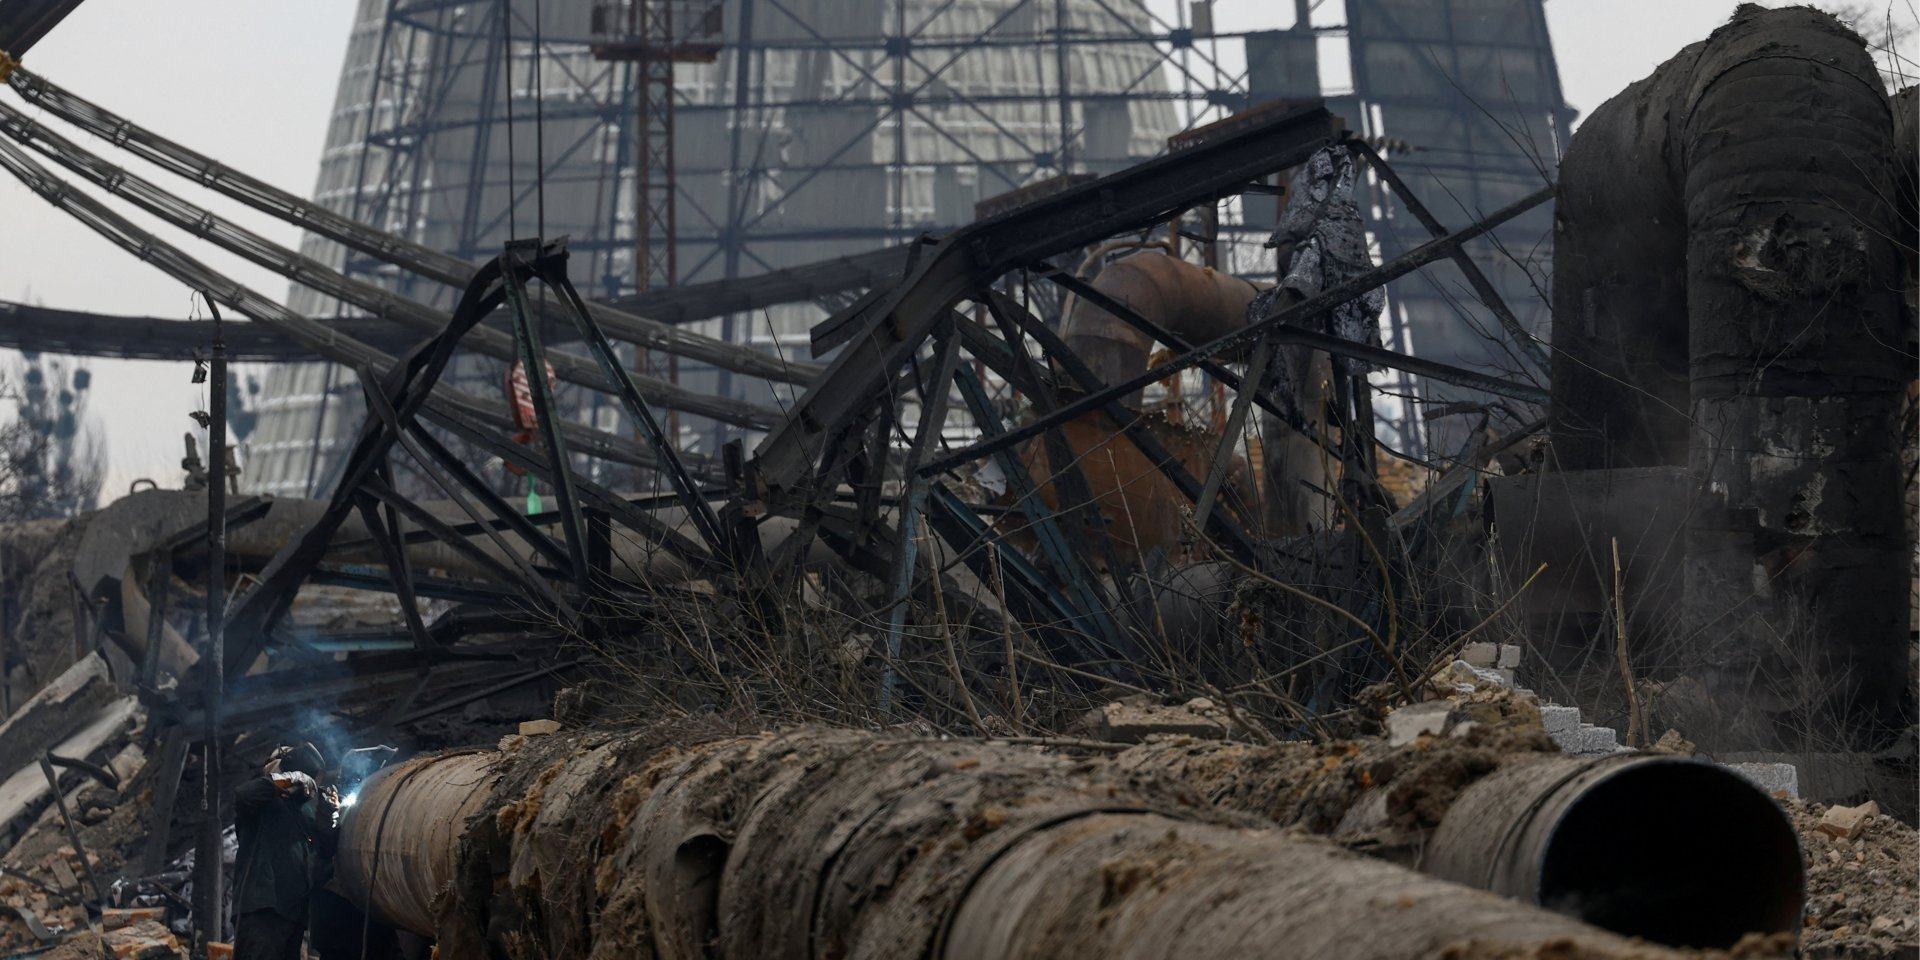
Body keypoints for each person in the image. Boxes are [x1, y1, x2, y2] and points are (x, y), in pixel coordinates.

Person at [233, 745, 338, 960]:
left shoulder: (305, 814)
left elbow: (325, 855)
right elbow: (244, 795)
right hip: (263, 910)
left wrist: (327, 817)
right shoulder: (265, 803)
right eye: (310, 780)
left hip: (293, 915)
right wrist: (293, 777)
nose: (312, 789)